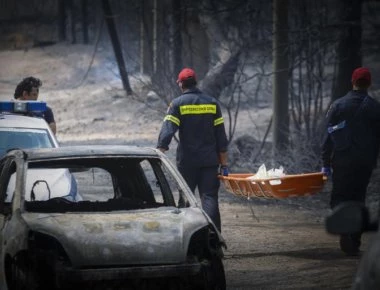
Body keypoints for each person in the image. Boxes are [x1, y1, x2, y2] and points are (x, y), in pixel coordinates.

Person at [157, 68, 229, 232]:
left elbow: (168, 130)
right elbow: (221, 137)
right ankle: (214, 238)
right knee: (209, 198)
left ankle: (183, 237)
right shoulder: (212, 103)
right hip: (210, 162)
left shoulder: (177, 104)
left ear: (181, 84)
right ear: (195, 82)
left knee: (185, 199)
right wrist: (224, 165)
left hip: (187, 162)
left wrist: (159, 151)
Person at [321, 67, 380, 255]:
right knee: (358, 197)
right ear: (369, 84)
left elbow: (328, 136)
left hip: (342, 161)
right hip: (365, 162)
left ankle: (344, 229)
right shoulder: (375, 107)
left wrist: (325, 163)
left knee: (340, 196)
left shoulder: (338, 105)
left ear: (352, 82)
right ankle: (354, 239)